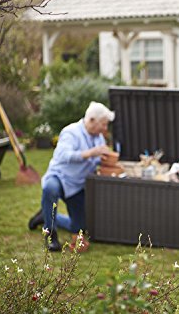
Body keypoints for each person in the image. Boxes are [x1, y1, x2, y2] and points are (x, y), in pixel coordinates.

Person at [28, 101, 115, 252]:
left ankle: (44, 216)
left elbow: (97, 160)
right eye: (104, 124)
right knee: (50, 189)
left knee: (81, 227)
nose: (105, 128)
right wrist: (90, 153)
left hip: (77, 185)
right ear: (92, 120)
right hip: (59, 178)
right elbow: (63, 155)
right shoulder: (71, 132)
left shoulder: (98, 138)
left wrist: (106, 160)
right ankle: (51, 236)